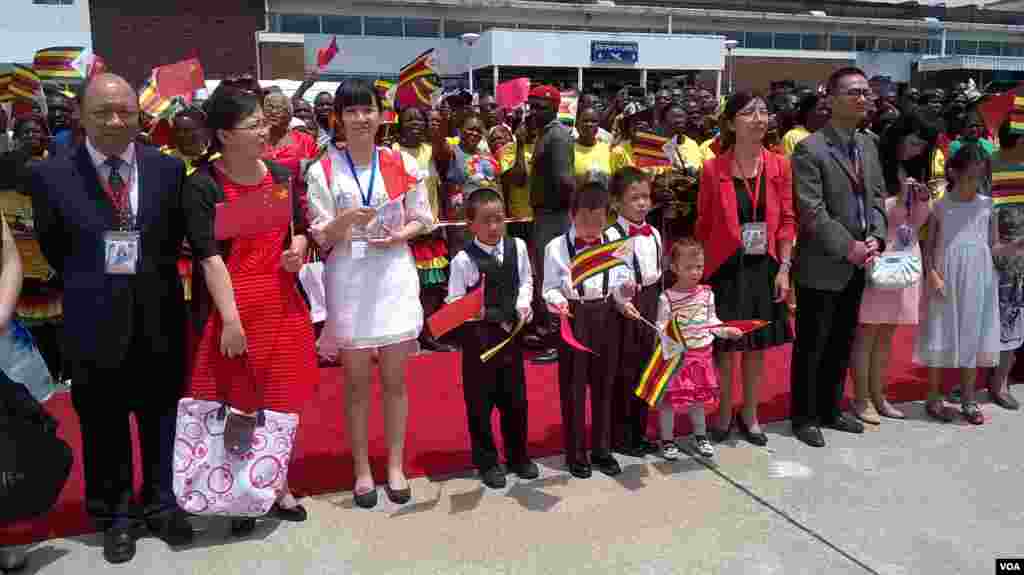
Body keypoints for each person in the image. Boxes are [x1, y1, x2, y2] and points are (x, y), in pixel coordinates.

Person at [29, 73, 194, 564]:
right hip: (93, 321)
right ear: (81, 115)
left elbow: (169, 243)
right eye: (103, 112)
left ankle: (161, 502)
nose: (116, 121)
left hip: (160, 317)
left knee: (161, 418)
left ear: (140, 114)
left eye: (125, 110)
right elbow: (55, 249)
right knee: (103, 425)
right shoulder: (51, 175)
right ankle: (115, 515)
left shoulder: (167, 170)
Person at [183, 81, 317, 534]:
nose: (265, 130)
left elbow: (299, 230)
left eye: (264, 122)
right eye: (254, 124)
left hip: (282, 303)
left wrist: (297, 250)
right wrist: (232, 321)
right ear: (224, 134)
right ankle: (236, 490)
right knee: (236, 403)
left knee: (281, 401)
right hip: (233, 310)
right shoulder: (202, 185)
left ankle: (276, 483)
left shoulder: (281, 176)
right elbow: (210, 258)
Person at [306, 79, 433, 508]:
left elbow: (424, 218)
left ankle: (395, 465)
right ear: (337, 117)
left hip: (393, 276)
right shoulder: (324, 168)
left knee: (396, 382)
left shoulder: (399, 161)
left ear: (382, 115)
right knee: (357, 385)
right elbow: (320, 235)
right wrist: (345, 222)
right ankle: (362, 469)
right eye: (352, 111)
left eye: (369, 110)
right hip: (349, 281)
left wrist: (400, 234)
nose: (361, 118)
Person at [789, 67, 887, 448]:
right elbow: (812, 211)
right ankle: (804, 415)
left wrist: (876, 236)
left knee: (843, 339)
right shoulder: (810, 148)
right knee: (813, 342)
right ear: (830, 99)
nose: (862, 98)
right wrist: (849, 246)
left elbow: (877, 196)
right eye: (853, 92)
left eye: (865, 92)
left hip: (860, 260)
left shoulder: (869, 144)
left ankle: (831, 408)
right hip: (824, 262)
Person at [696, 91, 796, 446]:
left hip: (765, 266)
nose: (758, 119)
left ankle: (750, 411)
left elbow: (786, 219)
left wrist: (784, 268)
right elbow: (704, 225)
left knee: (756, 346)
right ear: (731, 122)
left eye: (764, 112)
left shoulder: (780, 165)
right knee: (727, 347)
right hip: (726, 267)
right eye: (749, 112)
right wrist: (698, 276)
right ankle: (724, 411)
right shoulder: (712, 168)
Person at [447, 188, 539, 489]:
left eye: (499, 219)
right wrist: (477, 310)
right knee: (479, 404)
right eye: (486, 221)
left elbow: (526, 280)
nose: (494, 227)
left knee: (516, 401)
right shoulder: (462, 260)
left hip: (511, 340)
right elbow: (453, 304)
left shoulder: (518, 247)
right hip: (480, 344)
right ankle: (487, 461)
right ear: (470, 224)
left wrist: (524, 305)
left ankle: (519, 456)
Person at [916, 142, 1013, 425]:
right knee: (939, 334)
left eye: (979, 177)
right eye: (968, 176)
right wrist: (931, 273)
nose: (974, 183)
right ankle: (933, 397)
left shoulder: (987, 205)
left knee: (973, 334)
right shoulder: (941, 205)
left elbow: (993, 246)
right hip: (945, 276)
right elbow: (929, 244)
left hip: (980, 277)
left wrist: (1015, 246)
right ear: (954, 172)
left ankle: (969, 399)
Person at [852, 114, 936, 423]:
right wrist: (898, 199)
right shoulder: (875, 165)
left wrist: (923, 201)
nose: (915, 150)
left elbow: (916, 222)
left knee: (887, 333)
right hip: (880, 253)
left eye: (921, 146)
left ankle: (878, 394)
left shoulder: (912, 170)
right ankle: (861, 399)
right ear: (899, 136)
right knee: (868, 331)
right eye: (913, 142)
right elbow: (869, 215)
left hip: (905, 256)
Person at [543, 181, 626, 479]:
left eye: (599, 219)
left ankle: (602, 449)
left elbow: (619, 282)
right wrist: (558, 303)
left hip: (605, 315)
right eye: (585, 219)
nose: (592, 227)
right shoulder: (556, 247)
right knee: (574, 387)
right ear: (572, 214)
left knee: (605, 385)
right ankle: (576, 453)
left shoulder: (612, 243)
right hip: (574, 316)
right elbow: (549, 288)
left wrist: (626, 292)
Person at [654, 239, 743, 460]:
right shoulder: (667, 298)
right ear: (674, 268)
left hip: (702, 356)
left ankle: (700, 436)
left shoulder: (707, 294)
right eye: (689, 268)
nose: (695, 272)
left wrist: (727, 330)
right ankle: (667, 439)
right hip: (677, 359)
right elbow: (660, 327)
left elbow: (712, 322)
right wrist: (671, 337)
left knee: (698, 400)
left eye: (700, 267)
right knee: (669, 401)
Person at [606, 167, 660, 457]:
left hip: (649, 302)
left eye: (646, 197)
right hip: (624, 306)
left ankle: (640, 431)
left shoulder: (654, 233)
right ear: (616, 202)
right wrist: (620, 300)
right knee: (624, 371)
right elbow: (613, 277)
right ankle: (621, 435)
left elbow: (657, 275)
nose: (642, 203)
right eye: (634, 198)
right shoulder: (612, 235)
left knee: (645, 369)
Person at [394, 106, 454, 353]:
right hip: (402, 232)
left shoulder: (431, 151)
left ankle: (428, 334)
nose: (416, 124)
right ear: (400, 125)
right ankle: (406, 334)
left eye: (421, 119)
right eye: (410, 120)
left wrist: (439, 129)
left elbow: (447, 157)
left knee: (431, 288)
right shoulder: (392, 152)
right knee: (406, 287)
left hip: (431, 230)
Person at [529, 85, 575, 365]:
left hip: (554, 216)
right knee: (546, 275)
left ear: (555, 108)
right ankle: (549, 333)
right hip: (546, 214)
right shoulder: (545, 134)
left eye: (540, 107)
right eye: (532, 106)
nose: (534, 112)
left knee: (553, 277)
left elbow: (565, 181)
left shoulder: (556, 137)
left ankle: (560, 340)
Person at [984, 112, 1024, 411]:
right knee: (989, 320)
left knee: (1013, 320)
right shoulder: (989, 165)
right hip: (992, 254)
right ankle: (988, 382)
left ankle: (1000, 381)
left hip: (1017, 257)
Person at [573, 105, 612, 192]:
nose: (589, 124)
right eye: (585, 121)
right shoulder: (568, 149)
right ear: (577, 124)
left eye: (593, 121)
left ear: (598, 125)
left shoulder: (607, 150)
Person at [782, 93, 830, 157]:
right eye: (821, 109)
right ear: (807, 112)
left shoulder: (830, 138)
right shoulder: (793, 136)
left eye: (828, 110)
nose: (826, 113)